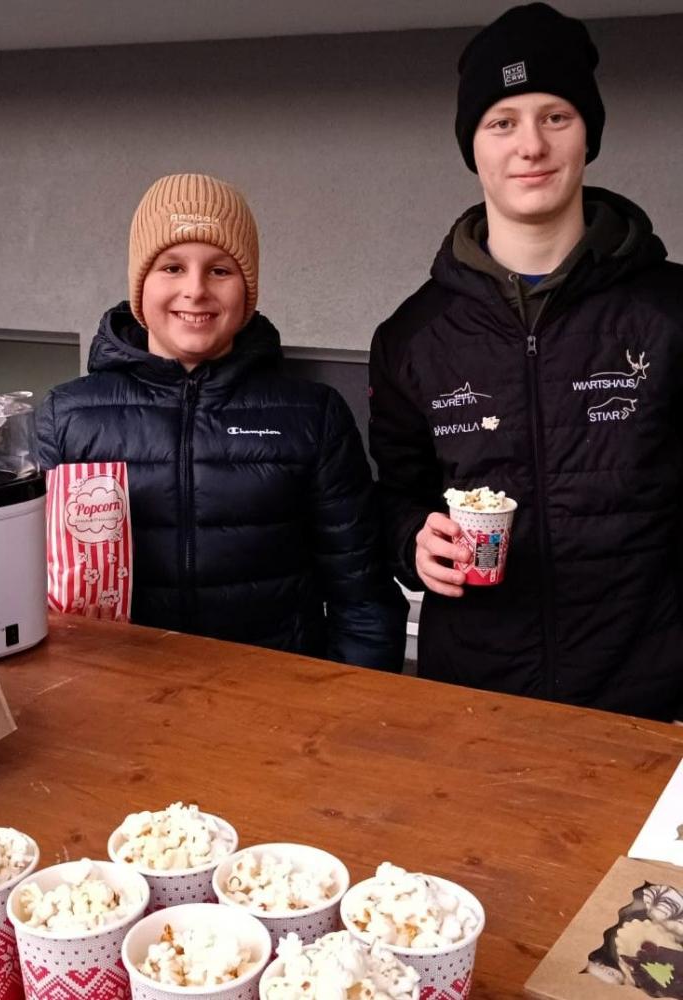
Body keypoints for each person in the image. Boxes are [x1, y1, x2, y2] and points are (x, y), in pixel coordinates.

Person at [369, 3, 683, 717]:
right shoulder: (413, 336)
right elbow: (394, 496)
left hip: (652, 701)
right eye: (502, 122)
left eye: (556, 117)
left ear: (588, 135)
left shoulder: (671, 312)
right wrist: (412, 542)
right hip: (476, 697)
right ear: (473, 147)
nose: (531, 146)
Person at [38, 173, 407, 670]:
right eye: (172, 267)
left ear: (247, 289)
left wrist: (351, 701)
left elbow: (363, 597)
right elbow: (27, 586)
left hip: (272, 692)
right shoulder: (68, 417)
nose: (195, 290)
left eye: (219, 270)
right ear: (139, 284)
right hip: (119, 691)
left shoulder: (312, 415)